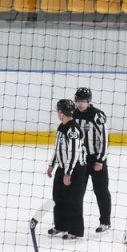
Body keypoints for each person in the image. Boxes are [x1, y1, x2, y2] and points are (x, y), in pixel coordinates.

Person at [46, 99, 87, 240]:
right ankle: (61, 225)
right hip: (63, 168)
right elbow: (58, 148)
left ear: (61, 112)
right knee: (58, 197)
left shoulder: (73, 130)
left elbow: (74, 153)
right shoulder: (61, 127)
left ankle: (75, 230)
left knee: (74, 200)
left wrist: (68, 173)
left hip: (76, 170)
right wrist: (52, 164)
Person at [73, 88, 111, 234]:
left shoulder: (97, 116)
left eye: (83, 101)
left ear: (89, 101)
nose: (80, 103)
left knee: (101, 190)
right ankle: (73, 222)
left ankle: (105, 221)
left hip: (96, 159)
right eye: (78, 100)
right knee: (77, 192)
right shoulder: (73, 113)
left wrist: (100, 160)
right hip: (80, 160)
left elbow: (105, 139)